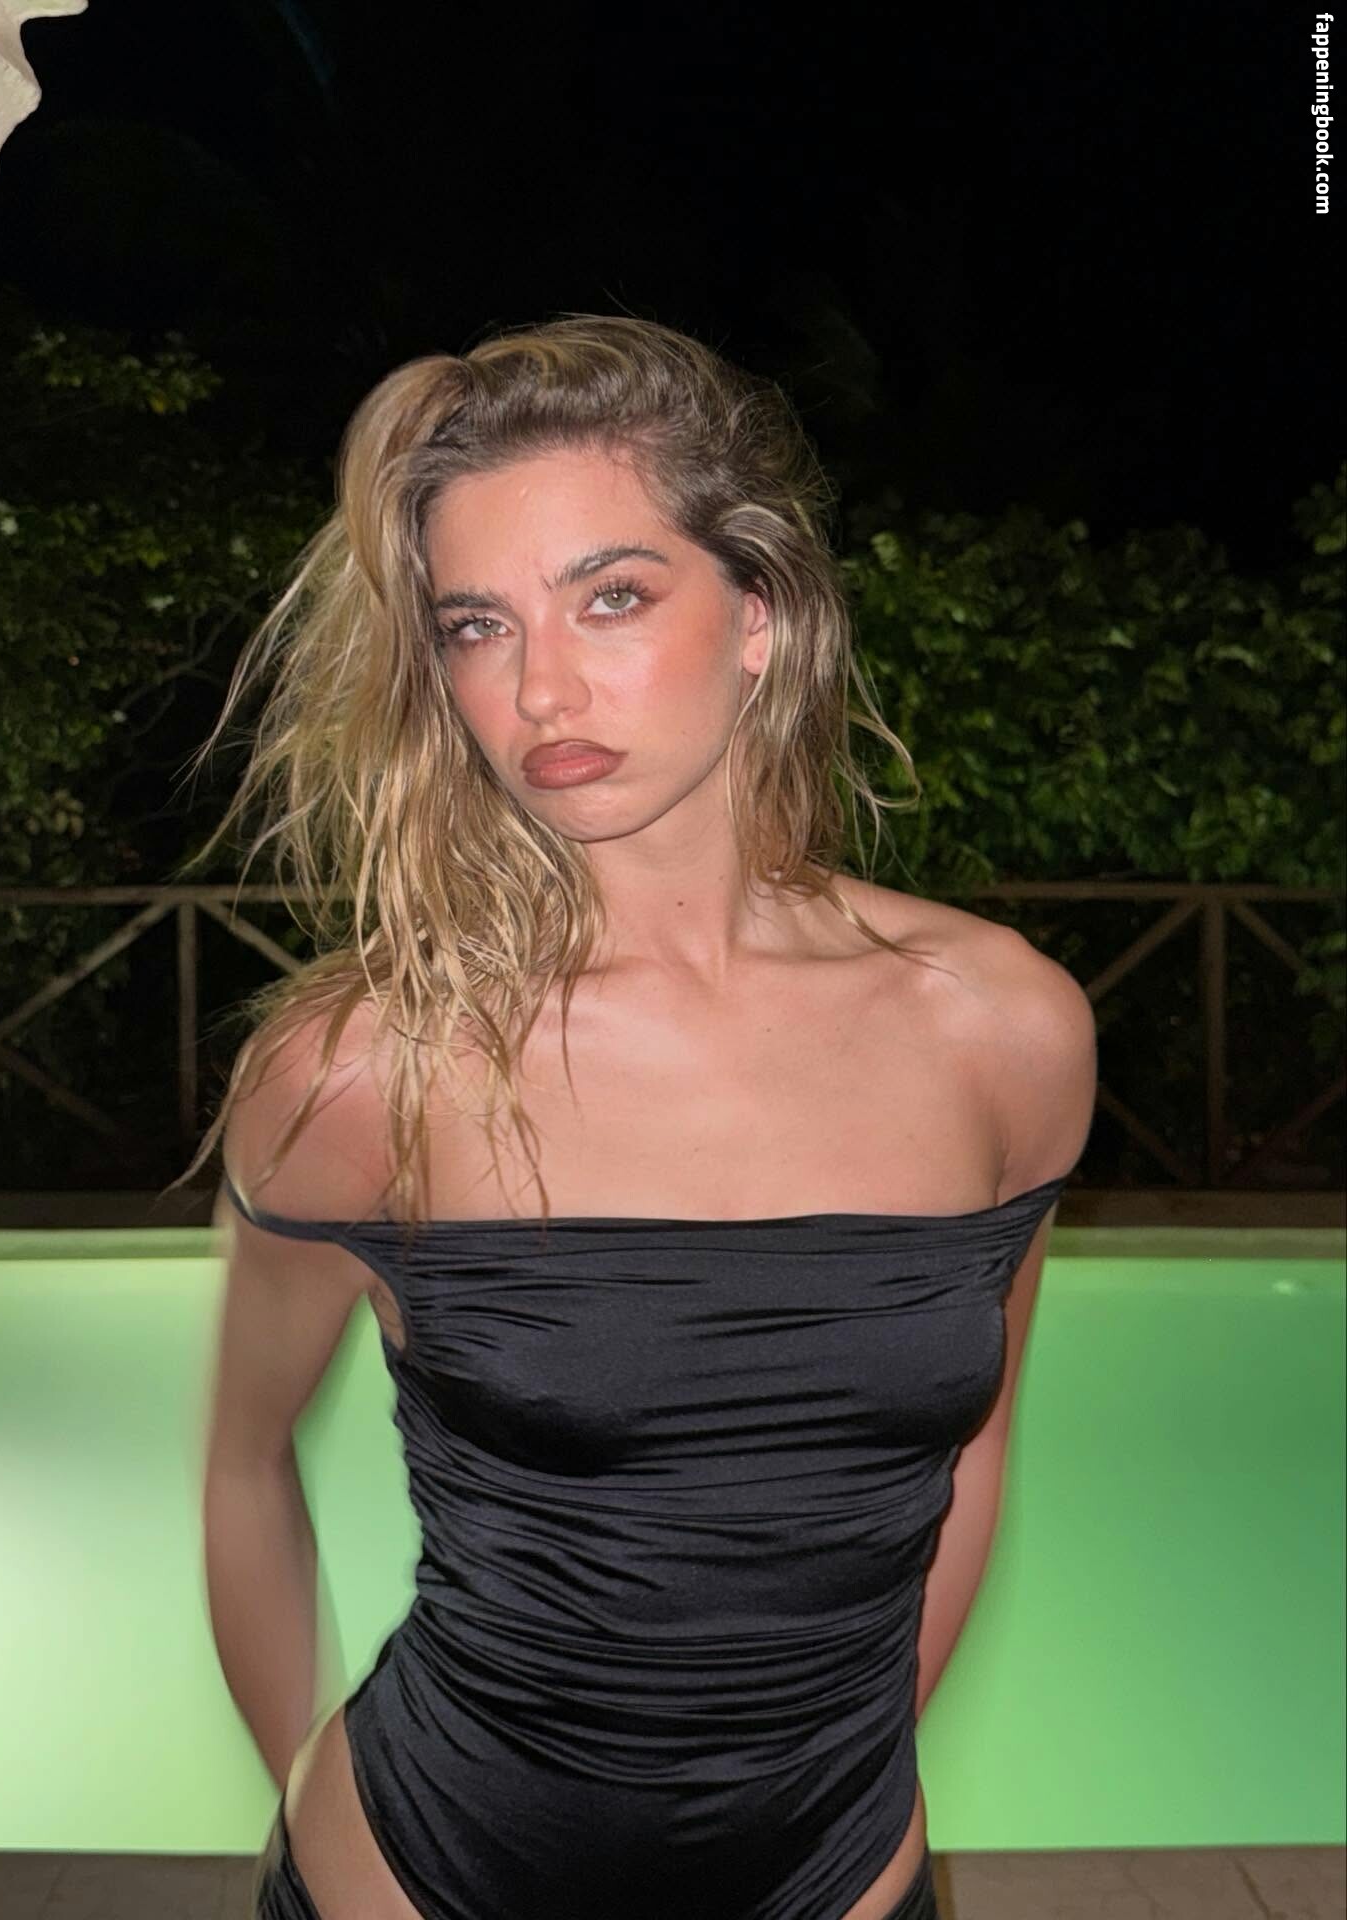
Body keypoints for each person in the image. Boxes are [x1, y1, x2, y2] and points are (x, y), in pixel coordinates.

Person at [177, 314, 1098, 1920]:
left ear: (760, 617)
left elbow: (980, 1440)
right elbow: (244, 1463)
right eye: (478, 626)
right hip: (426, 1875)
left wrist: (854, 1794)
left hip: (843, 1877)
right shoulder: (367, 1070)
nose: (541, 687)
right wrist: (294, 1795)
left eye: (611, 596)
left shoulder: (1002, 1033)